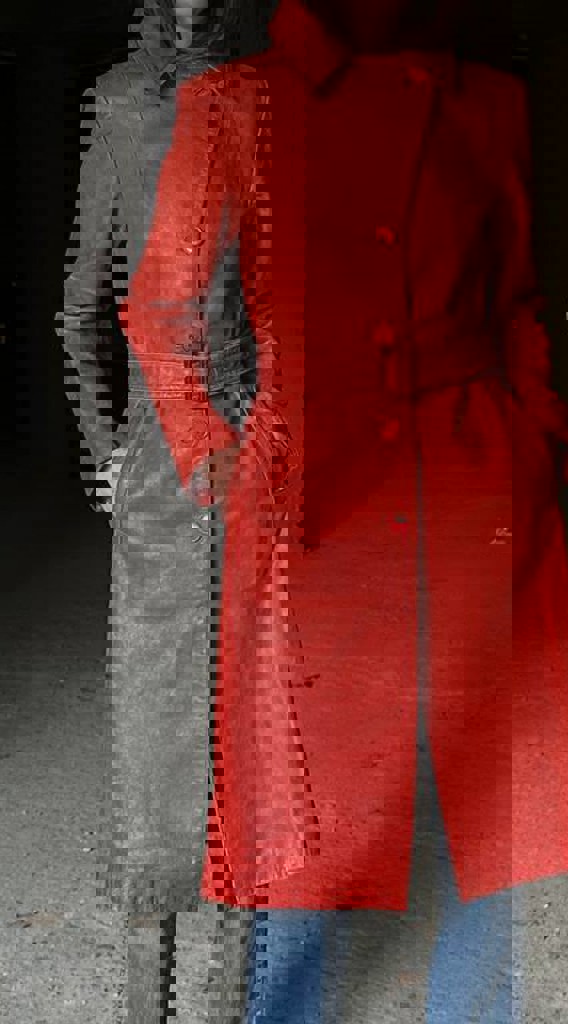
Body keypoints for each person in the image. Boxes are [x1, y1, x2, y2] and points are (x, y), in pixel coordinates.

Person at [117, 0, 568, 1020]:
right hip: (316, 483)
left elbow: (517, 298)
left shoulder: (490, 102)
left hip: (472, 468)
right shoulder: (235, 104)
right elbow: (163, 302)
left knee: (493, 778)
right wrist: (210, 445)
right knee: (304, 795)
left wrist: (536, 431)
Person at [58, 2, 275, 1020]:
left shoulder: (246, 107)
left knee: (225, 730)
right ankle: (156, 996)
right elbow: (77, 311)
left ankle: (208, 996)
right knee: (176, 732)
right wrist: (107, 456)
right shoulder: (129, 107)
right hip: (176, 460)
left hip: (214, 461)